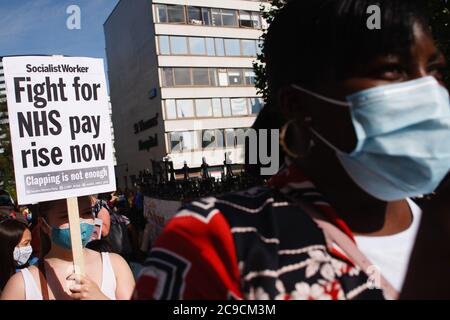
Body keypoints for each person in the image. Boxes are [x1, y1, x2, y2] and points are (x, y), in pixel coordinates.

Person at [133, 0, 449, 300]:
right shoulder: (214, 240)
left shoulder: (439, 217)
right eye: (392, 70)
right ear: (297, 104)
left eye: (434, 71)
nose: (430, 91)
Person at [0, 196, 135, 300]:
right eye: (66, 216)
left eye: (87, 212)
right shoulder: (21, 284)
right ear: (43, 224)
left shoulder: (116, 266)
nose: (79, 222)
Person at [0, 219, 33, 293]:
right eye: (26, 243)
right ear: (9, 246)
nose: (30, 248)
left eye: (30, 242)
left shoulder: (31, 266)